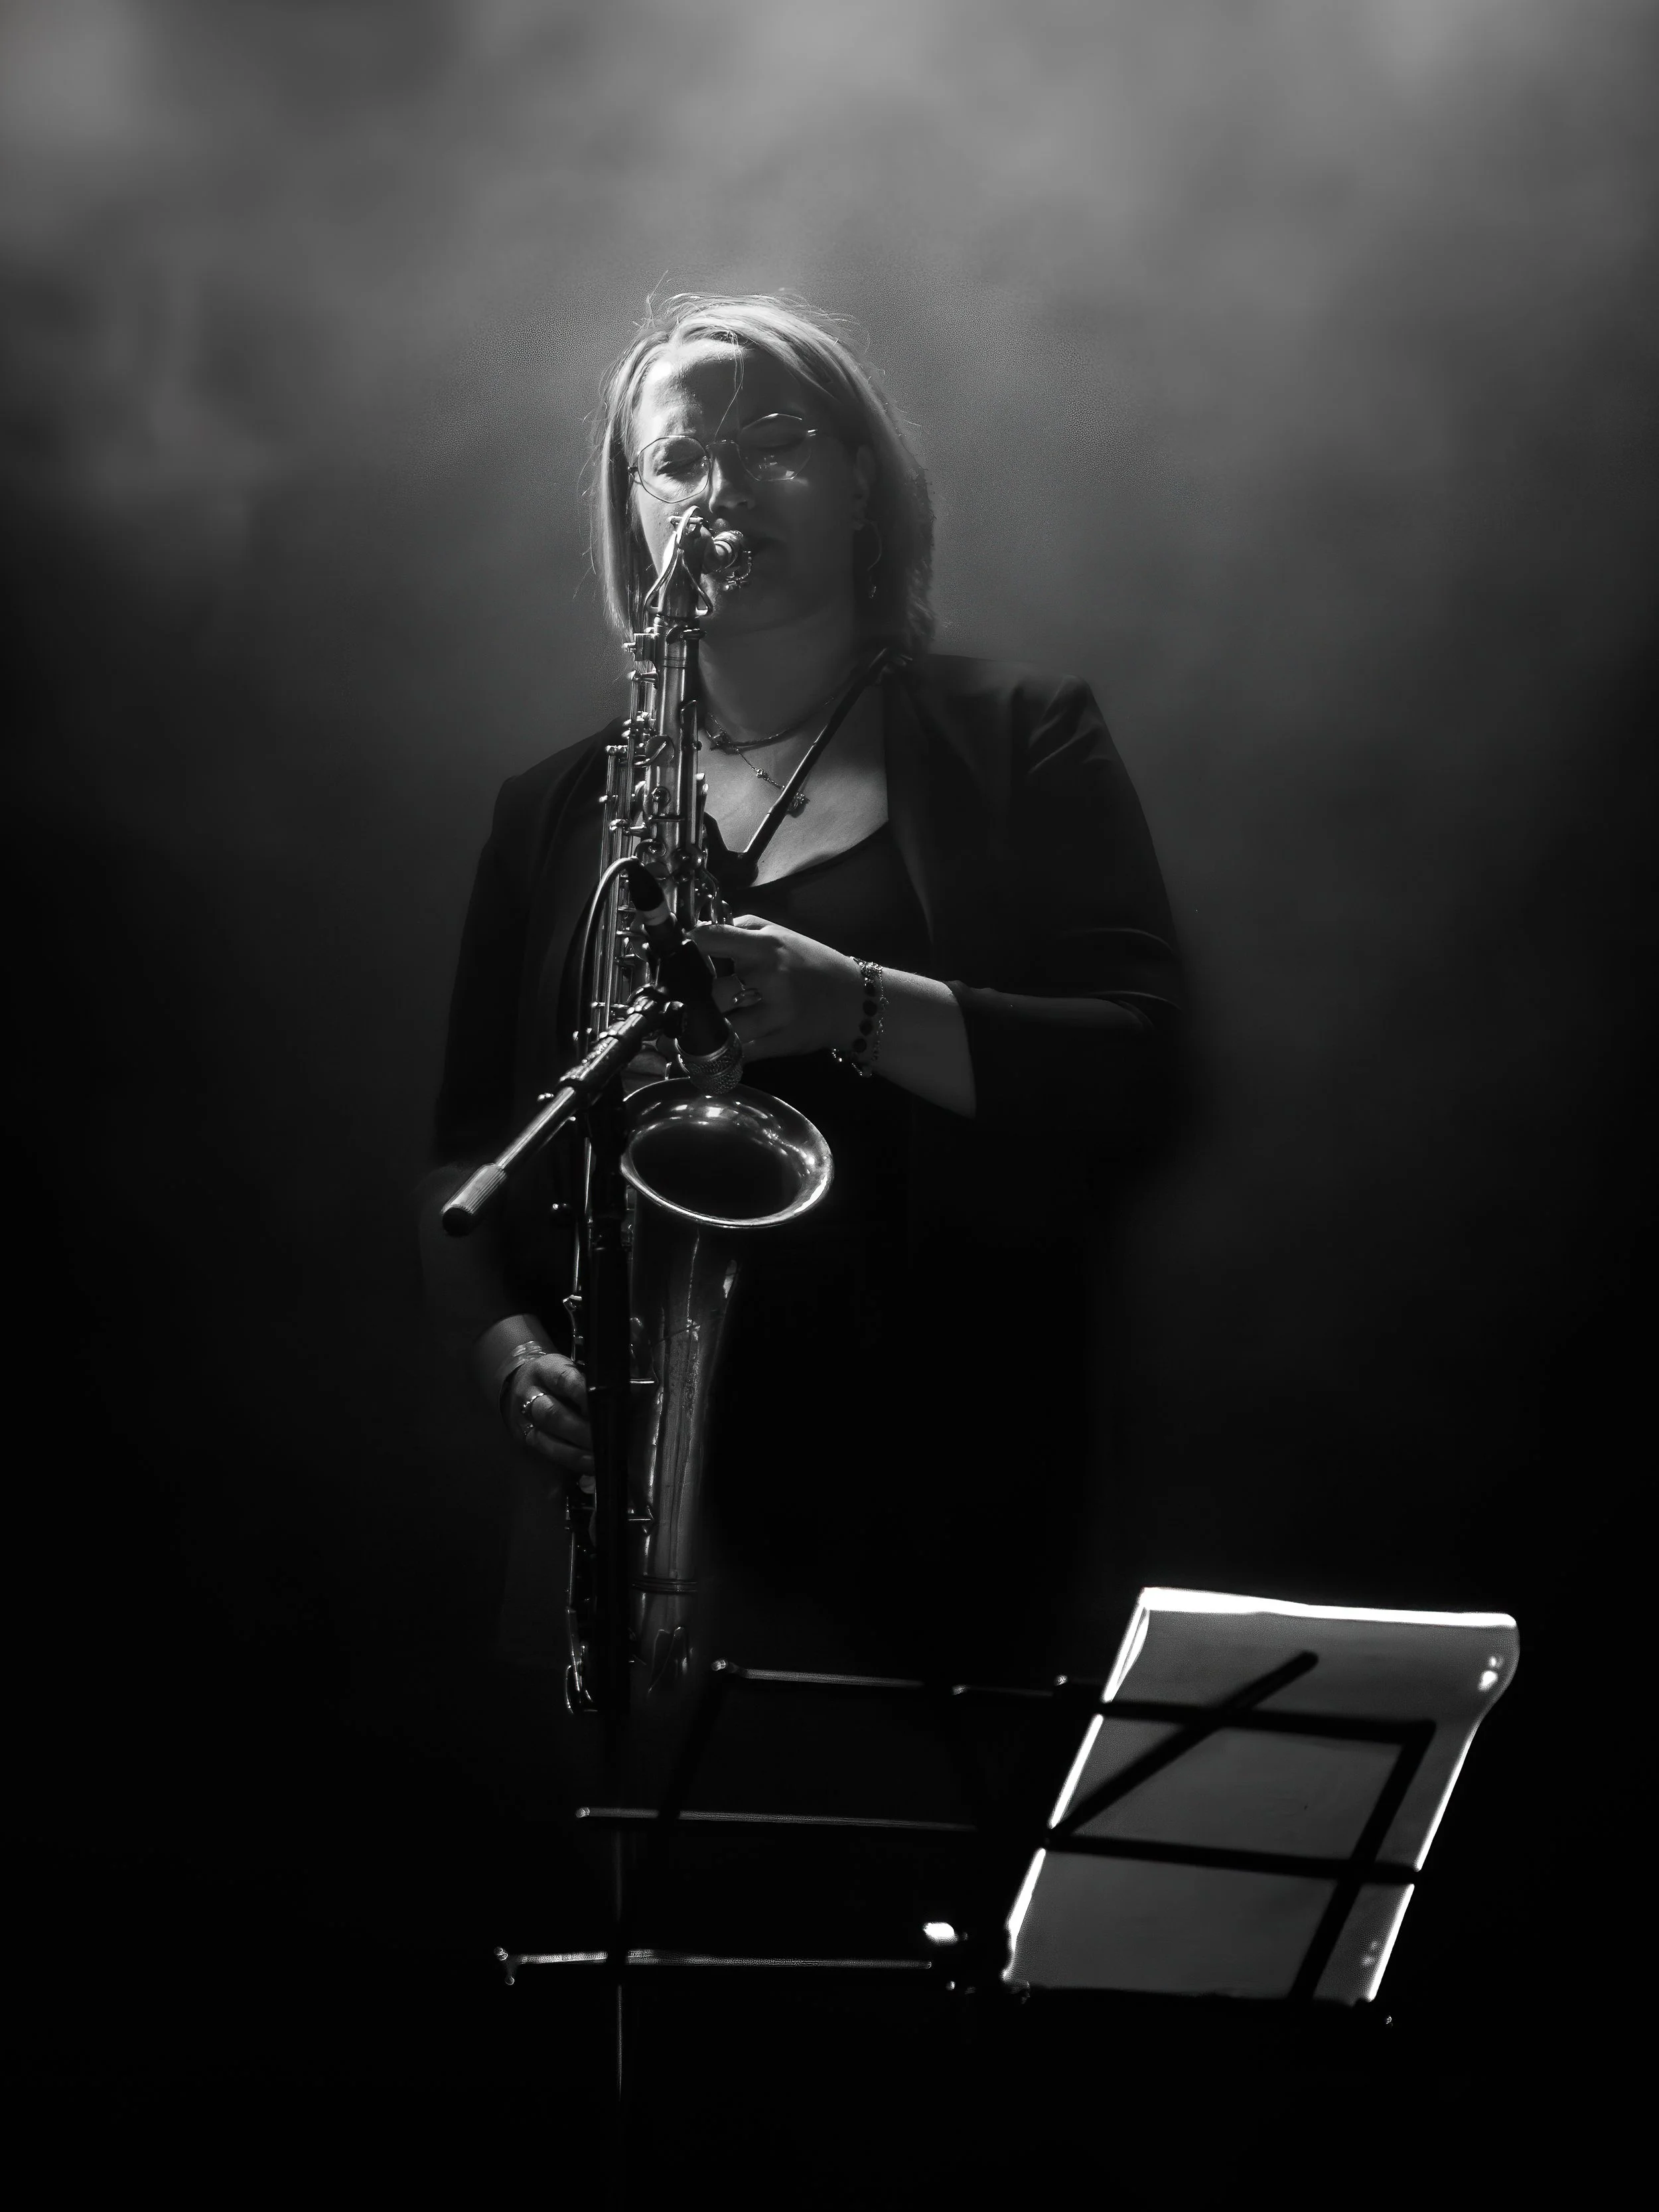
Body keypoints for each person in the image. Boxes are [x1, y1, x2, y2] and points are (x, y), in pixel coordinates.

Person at [421, 292, 1183, 1685]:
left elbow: (1143, 1071)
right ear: (635, 510)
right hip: (629, 1496)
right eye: (678, 458)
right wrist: (507, 1353)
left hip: (940, 1487)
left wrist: (856, 1006)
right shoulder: (552, 810)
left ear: (862, 483)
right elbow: (468, 1146)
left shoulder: (1021, 737)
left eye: (772, 439)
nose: (720, 488)